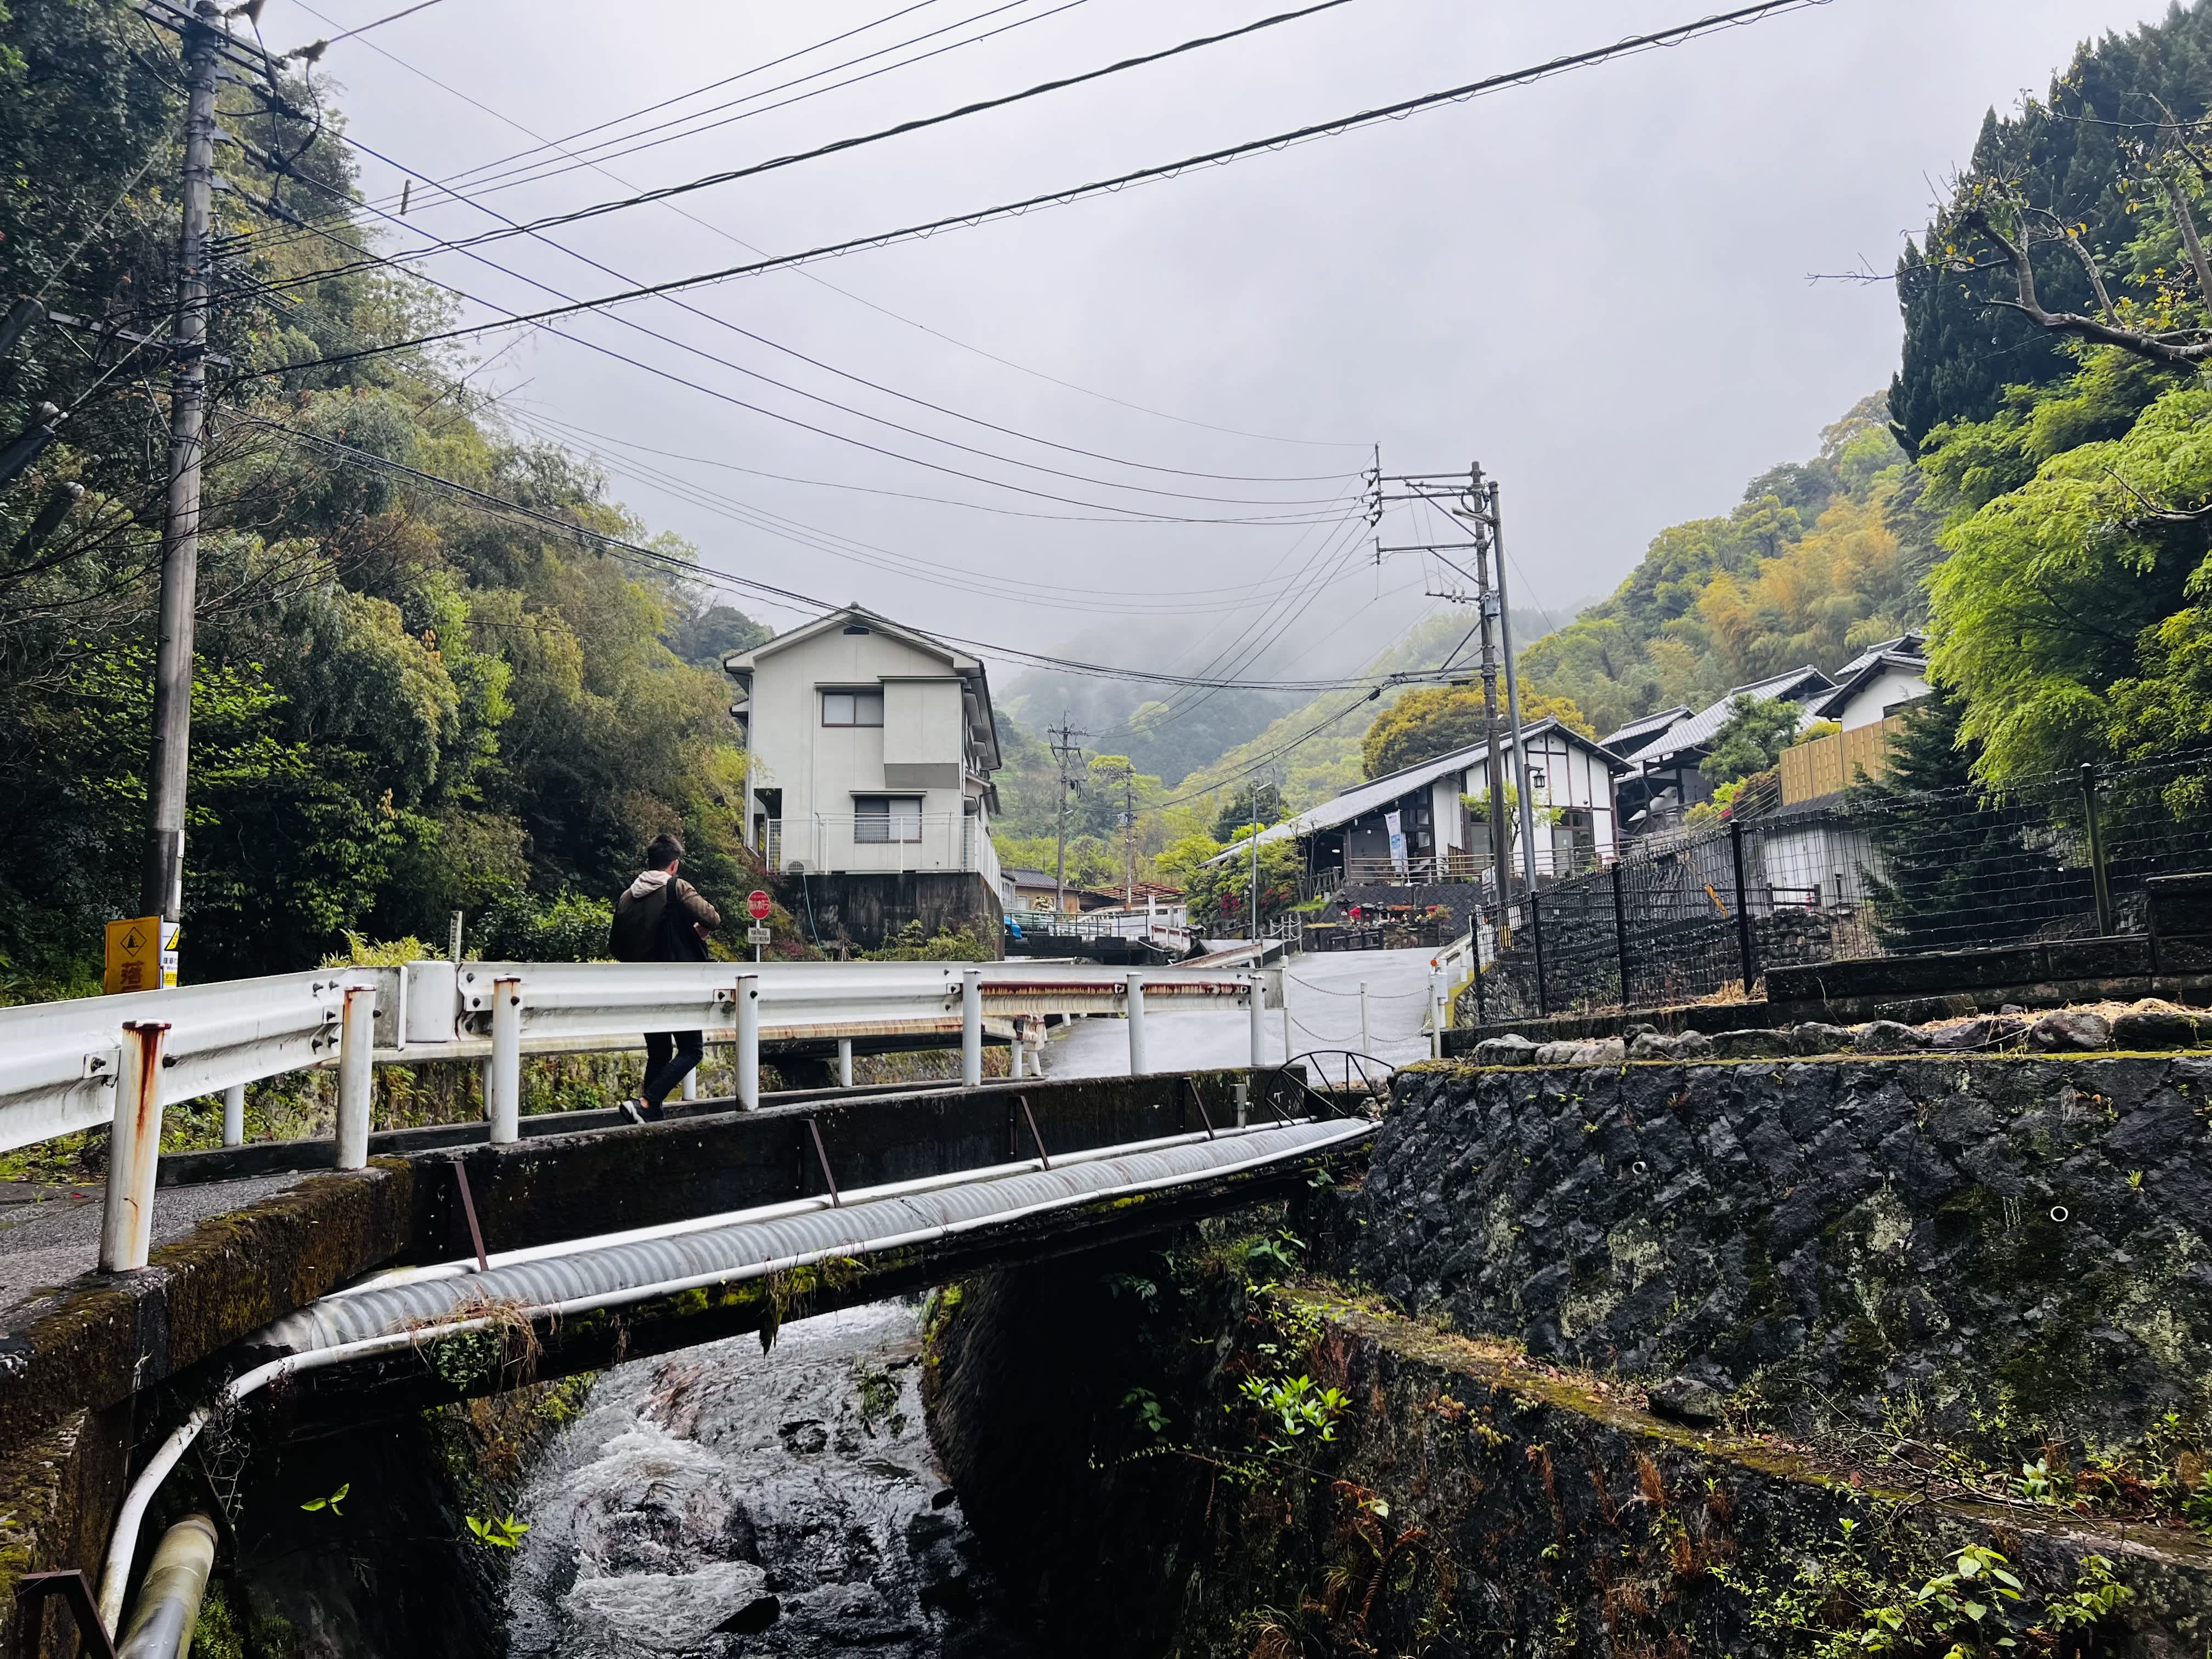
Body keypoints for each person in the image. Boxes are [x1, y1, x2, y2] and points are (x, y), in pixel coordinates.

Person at [608, 832, 721, 1122]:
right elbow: (712, 918)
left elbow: (616, 946)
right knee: (692, 1049)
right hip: (677, 983)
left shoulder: (626, 897)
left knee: (659, 1052)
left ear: (648, 862)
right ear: (674, 864)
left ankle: (649, 1115)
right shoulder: (677, 888)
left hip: (641, 985)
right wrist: (697, 931)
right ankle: (646, 1103)